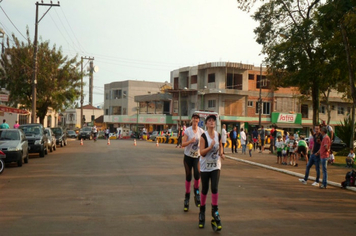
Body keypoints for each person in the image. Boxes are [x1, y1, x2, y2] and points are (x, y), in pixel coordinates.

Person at [198, 114, 225, 230]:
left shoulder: (218, 135)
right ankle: (202, 212)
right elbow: (202, 152)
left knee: (214, 188)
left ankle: (215, 211)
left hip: (215, 166)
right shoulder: (203, 136)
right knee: (204, 189)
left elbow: (221, 146)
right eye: (209, 120)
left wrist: (222, 153)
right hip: (205, 167)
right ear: (206, 124)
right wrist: (210, 147)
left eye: (213, 120)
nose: (212, 122)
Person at [181, 113, 204, 212]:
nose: (195, 120)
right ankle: (187, 197)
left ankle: (196, 191)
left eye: (197, 119)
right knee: (188, 176)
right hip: (187, 157)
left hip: (197, 157)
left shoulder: (201, 131)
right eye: (194, 119)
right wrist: (190, 141)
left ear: (199, 121)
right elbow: (182, 144)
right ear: (191, 120)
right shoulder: (188, 131)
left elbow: (204, 143)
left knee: (197, 174)